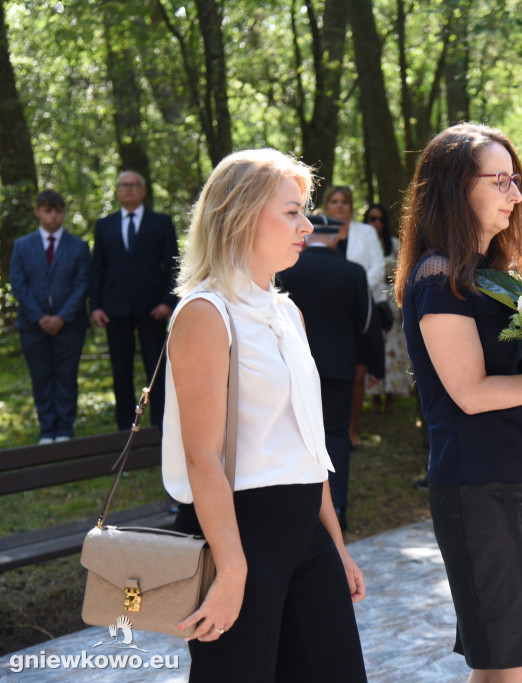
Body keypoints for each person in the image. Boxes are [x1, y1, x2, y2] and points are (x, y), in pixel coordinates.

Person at [393, 123, 522, 681]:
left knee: (508, 666)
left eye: (517, 179)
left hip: (517, 475)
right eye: (500, 180)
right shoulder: (438, 278)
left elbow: (517, 369)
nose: (516, 194)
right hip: (480, 487)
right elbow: (472, 392)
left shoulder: (489, 275)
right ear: (456, 189)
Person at [161, 149, 366, 681]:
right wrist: (231, 567)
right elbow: (201, 456)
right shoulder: (206, 313)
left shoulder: (286, 311)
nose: (308, 225)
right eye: (293, 212)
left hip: (306, 528)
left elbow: (307, 445)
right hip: (241, 532)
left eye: (306, 211)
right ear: (242, 215)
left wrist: (337, 547)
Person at [277, 223, 383, 532]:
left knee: (297, 436)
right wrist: (376, 365)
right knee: (336, 436)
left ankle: (300, 513)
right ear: (337, 237)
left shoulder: (287, 268)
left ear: (308, 236)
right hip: (338, 368)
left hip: (294, 367)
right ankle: (336, 509)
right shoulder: (352, 272)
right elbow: (367, 322)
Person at [89, 170, 178, 430]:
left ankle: (161, 427)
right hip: (115, 311)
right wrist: (95, 306)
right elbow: (97, 269)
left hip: (154, 310)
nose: (128, 189)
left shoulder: (161, 223)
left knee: (156, 370)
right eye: (123, 185)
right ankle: (125, 429)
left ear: (143, 190)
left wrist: (167, 302)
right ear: (117, 191)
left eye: (133, 185)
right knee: (121, 371)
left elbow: (173, 266)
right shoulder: (104, 225)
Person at [9, 190, 90, 443]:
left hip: (70, 325)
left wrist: (62, 317)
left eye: (57, 211)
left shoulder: (78, 246)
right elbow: (18, 283)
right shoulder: (22, 246)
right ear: (38, 212)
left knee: (66, 376)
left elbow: (82, 284)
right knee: (41, 376)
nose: (53, 216)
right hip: (33, 325)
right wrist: (40, 316)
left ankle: (65, 429)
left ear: (64, 213)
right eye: (47, 210)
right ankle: (47, 430)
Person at [320, 186, 386, 447]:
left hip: (359, 310)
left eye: (344, 202)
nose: (339, 206)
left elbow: (377, 268)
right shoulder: (317, 230)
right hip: (326, 312)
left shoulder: (366, 232)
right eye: (334, 201)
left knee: (358, 372)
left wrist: (353, 292)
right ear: (327, 206)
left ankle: (351, 430)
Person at [364, 203, 415, 411]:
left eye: (380, 219)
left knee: (392, 347)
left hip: (392, 301)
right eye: (372, 219)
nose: (376, 223)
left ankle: (391, 393)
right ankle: (375, 395)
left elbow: (403, 276)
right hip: (369, 298)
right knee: (374, 345)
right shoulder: (362, 244)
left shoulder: (394, 245)